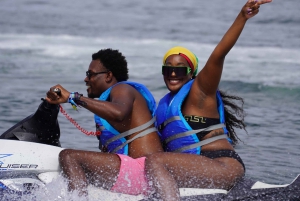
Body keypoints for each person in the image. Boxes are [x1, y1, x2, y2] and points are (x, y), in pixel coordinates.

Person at [145, 0, 272, 200]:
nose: (172, 74)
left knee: (155, 162)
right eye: (167, 69)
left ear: (192, 73)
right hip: (196, 168)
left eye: (179, 69)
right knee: (149, 161)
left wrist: (242, 17)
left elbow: (218, 55)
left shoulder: (200, 90)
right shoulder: (166, 104)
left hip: (222, 165)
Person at [45, 48, 163, 197]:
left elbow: (118, 113)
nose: (86, 79)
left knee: (69, 156)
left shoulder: (122, 89)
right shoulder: (109, 100)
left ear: (108, 76)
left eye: (90, 74)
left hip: (143, 172)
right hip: (135, 174)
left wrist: (73, 97)